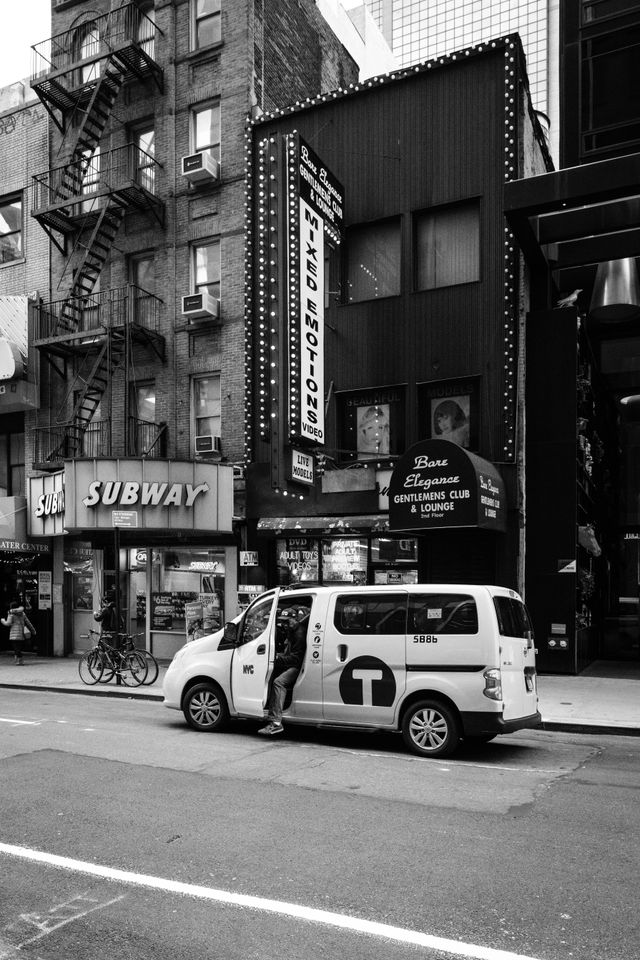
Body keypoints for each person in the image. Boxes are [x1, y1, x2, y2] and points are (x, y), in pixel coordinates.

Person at [258, 606, 309, 736]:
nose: (285, 624)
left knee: (278, 682)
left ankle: (275, 722)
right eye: (283, 621)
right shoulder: (292, 631)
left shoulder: (299, 633)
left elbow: (295, 659)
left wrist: (277, 659)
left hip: (297, 667)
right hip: (292, 664)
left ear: (295, 619)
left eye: (287, 621)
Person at [2, 597, 36, 666]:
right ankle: (17, 660)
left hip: (14, 634)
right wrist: (33, 630)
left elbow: (8, 623)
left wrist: (2, 621)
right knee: (18, 647)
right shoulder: (22, 614)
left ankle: (20, 661)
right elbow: (28, 623)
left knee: (16, 648)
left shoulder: (11, 613)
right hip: (21, 633)